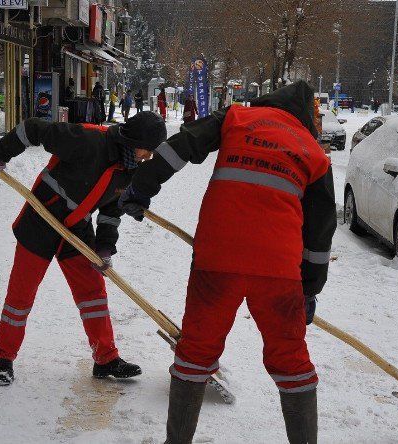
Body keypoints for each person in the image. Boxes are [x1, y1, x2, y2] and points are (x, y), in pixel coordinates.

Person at [118, 81, 336, 443]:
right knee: (291, 360)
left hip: (217, 258)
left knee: (196, 352)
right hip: (278, 270)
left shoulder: (236, 117)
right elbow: (320, 234)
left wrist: (141, 188)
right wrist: (309, 290)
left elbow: (181, 146)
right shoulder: (313, 151)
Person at [0, 111, 167, 387]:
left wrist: (104, 247)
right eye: (147, 150)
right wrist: (0, 155)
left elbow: (110, 212)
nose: (148, 156)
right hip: (41, 220)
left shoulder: (128, 168)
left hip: (76, 229)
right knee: (21, 294)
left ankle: (105, 360)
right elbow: (33, 128)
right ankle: (4, 359)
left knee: (92, 293)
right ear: (132, 140)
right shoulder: (87, 140)